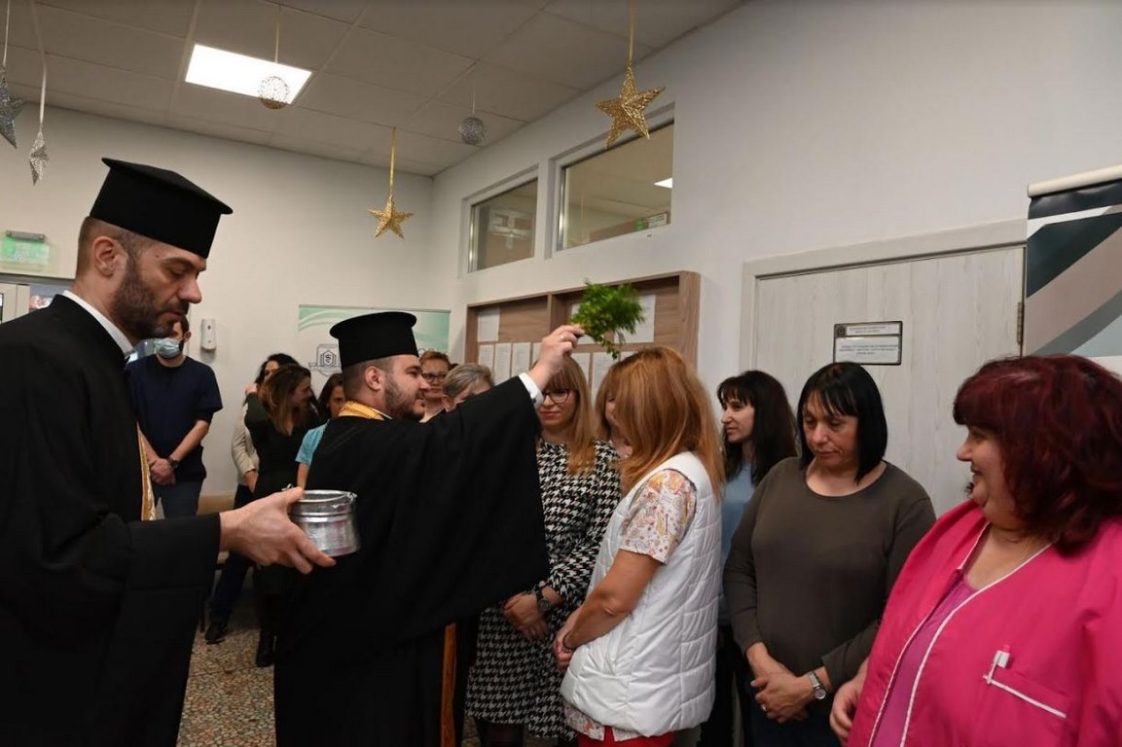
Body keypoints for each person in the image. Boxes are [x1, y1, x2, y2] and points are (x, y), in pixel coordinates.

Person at [0, 158, 333, 745]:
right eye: (178, 270)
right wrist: (226, 531)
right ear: (108, 256)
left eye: (197, 273)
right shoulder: (35, 358)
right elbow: (57, 555)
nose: (194, 293)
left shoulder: (98, 358)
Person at [274, 312, 583, 746]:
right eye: (413, 372)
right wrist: (540, 372)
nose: (425, 384)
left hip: (364, 642)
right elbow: (449, 440)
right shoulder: (364, 440)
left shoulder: (356, 435)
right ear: (376, 378)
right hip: (366, 662)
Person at [831, 355, 1122, 747]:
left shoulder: (1109, 582)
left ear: (1044, 450)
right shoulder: (959, 528)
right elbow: (917, 631)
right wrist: (873, 678)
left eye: (979, 436)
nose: (963, 452)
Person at [723, 361, 935, 746]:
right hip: (767, 694)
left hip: (843, 709)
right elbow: (739, 569)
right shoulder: (781, 478)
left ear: (868, 424)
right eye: (809, 422)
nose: (818, 437)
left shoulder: (904, 502)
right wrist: (760, 660)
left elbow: (902, 614)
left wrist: (814, 684)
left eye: (834, 424)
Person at [554, 347, 725, 747]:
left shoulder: (666, 485)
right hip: (648, 683)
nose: (612, 417)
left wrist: (572, 638)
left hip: (629, 689)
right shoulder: (690, 469)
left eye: (620, 406)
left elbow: (616, 599)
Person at [468, 357, 621, 747]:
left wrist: (542, 600)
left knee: (563, 727)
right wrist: (514, 602)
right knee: (499, 727)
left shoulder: (604, 461)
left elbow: (599, 544)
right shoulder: (506, 455)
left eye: (560, 392)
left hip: (567, 616)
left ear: (578, 395)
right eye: (542, 393)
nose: (549, 402)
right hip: (503, 614)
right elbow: (481, 531)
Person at [699, 370, 798, 747]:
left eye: (737, 407)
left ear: (765, 411)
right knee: (713, 722)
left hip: (759, 619)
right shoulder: (717, 469)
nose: (726, 417)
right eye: (725, 407)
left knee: (761, 721)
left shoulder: (789, 475)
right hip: (711, 614)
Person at [205, 352, 298, 644]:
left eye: (276, 372)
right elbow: (238, 447)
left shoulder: (297, 408)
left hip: (282, 488)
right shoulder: (252, 406)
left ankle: (274, 626)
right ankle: (219, 617)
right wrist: (251, 476)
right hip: (251, 487)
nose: (270, 377)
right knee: (239, 555)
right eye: (267, 372)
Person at [246, 363, 323, 667]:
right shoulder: (263, 416)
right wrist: (254, 393)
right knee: (268, 570)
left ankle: (291, 633)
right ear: (288, 391)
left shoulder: (310, 416)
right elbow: (253, 415)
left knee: (296, 568)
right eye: (303, 389)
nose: (309, 394)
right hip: (269, 495)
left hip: (298, 494)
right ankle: (267, 636)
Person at [127, 315, 223, 518]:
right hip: (142, 471)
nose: (165, 339)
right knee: (136, 529)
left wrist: (171, 462)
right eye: (160, 334)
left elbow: (202, 424)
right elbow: (129, 420)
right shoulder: (134, 372)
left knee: (183, 532)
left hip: (185, 473)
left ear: (186, 336)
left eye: (172, 334)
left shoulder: (202, 374)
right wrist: (154, 462)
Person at [295, 372, 345, 487]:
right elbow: (302, 481)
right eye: (338, 400)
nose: (343, 406)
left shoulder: (366, 434)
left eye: (348, 401)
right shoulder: (312, 436)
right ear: (327, 402)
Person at [420, 349, 453, 422]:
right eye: (429, 376)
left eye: (442, 376)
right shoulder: (407, 414)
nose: (436, 382)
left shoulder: (456, 414)